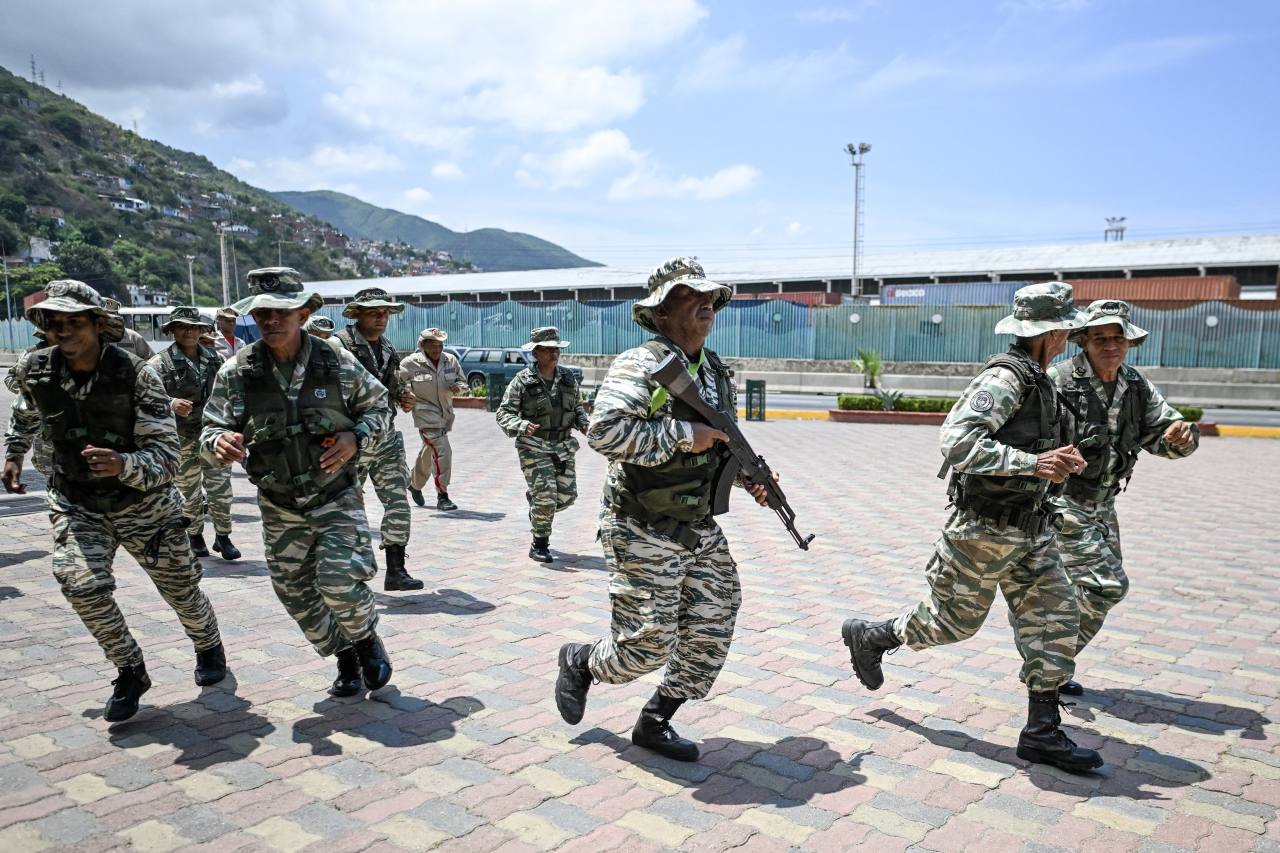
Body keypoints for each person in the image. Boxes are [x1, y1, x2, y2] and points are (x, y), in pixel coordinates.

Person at [839, 282, 1104, 774]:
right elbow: (956, 441)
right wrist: (1031, 463)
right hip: (983, 531)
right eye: (1067, 324)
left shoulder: (1041, 377)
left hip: (1032, 529)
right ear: (1052, 329)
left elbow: (1033, 444)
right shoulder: (1006, 377)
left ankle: (1042, 731)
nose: (1070, 332)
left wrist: (1057, 461)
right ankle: (875, 636)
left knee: (1056, 616)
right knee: (953, 625)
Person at [554, 257, 775, 762]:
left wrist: (750, 476)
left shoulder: (715, 371)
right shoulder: (640, 365)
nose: (704, 304)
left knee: (714, 620)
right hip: (640, 522)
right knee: (646, 644)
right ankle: (582, 662)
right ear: (659, 312)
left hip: (695, 523)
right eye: (688, 296)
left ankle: (656, 721)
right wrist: (681, 435)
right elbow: (603, 432)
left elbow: (722, 439)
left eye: (708, 297)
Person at [3, 280, 225, 722]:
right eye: (54, 322)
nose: (63, 331)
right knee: (80, 585)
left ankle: (208, 644)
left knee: (181, 589)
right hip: (76, 501)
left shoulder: (137, 374)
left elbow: (166, 458)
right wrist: (14, 452)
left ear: (98, 324)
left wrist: (123, 464)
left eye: (74, 322)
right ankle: (129, 668)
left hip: (146, 504)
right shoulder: (35, 368)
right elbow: (29, 409)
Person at [200, 267, 393, 698]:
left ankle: (366, 641)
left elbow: (380, 410)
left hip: (334, 494)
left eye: (282, 311)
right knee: (296, 595)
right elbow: (209, 429)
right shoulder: (239, 370)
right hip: (279, 501)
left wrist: (355, 437)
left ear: (303, 313)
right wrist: (219, 442)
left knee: (338, 580)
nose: (272, 321)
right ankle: (343, 656)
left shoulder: (335, 361)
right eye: (264, 312)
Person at [1048, 299, 1198, 695]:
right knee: (1106, 585)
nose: (1111, 345)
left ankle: (1050, 662)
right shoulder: (1058, 380)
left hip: (1104, 504)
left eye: (1118, 338)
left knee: (1085, 589)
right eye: (1100, 338)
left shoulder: (1136, 385)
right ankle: (1048, 663)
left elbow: (1164, 437)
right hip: (1062, 501)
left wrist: (1181, 438)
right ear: (1083, 341)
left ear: (1129, 342)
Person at [333, 287, 423, 591]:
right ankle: (345, 574)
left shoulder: (386, 346)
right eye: (374, 312)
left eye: (385, 312)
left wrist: (403, 396)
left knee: (397, 500)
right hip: (352, 441)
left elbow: (391, 385)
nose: (381, 317)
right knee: (346, 506)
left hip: (386, 439)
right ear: (357, 314)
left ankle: (396, 570)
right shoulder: (338, 346)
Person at [148, 306, 240, 561]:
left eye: (193, 327)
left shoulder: (214, 359)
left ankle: (223, 537)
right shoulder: (159, 363)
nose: (188, 332)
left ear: (202, 331)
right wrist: (170, 403)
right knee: (189, 493)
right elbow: (142, 397)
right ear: (173, 330)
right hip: (181, 439)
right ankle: (195, 536)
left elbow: (230, 393)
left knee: (221, 490)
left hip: (213, 436)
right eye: (181, 327)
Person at [495, 327, 589, 562]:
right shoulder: (522, 381)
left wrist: (584, 424)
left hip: (563, 446)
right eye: (547, 350)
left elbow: (577, 407)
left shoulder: (568, 378)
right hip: (534, 446)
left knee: (567, 497)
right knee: (546, 495)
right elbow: (503, 413)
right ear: (535, 353)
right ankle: (539, 544)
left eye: (556, 349)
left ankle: (536, 505)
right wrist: (520, 424)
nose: (553, 354)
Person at [398, 327, 467, 511]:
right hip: (424, 415)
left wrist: (458, 388)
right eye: (433, 345)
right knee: (443, 450)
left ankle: (414, 484)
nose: (437, 349)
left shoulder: (450, 360)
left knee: (431, 450)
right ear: (422, 345)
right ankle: (442, 496)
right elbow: (396, 385)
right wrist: (405, 395)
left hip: (445, 415)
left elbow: (463, 382)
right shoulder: (409, 363)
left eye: (440, 345)